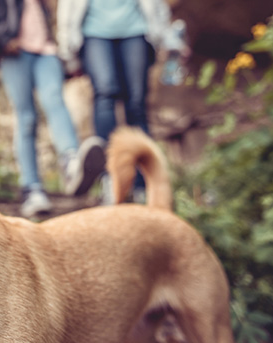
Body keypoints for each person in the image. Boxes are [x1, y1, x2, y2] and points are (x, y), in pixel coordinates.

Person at [0, 0, 106, 218]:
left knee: (55, 100)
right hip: (14, 52)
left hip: (46, 51)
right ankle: (32, 188)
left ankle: (71, 164)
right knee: (26, 118)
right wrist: (3, 40)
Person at [56, 0, 189, 203]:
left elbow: (157, 6)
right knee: (105, 95)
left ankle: (143, 185)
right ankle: (110, 179)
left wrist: (171, 41)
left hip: (136, 31)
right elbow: (67, 7)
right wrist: (67, 48)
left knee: (136, 104)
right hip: (94, 33)